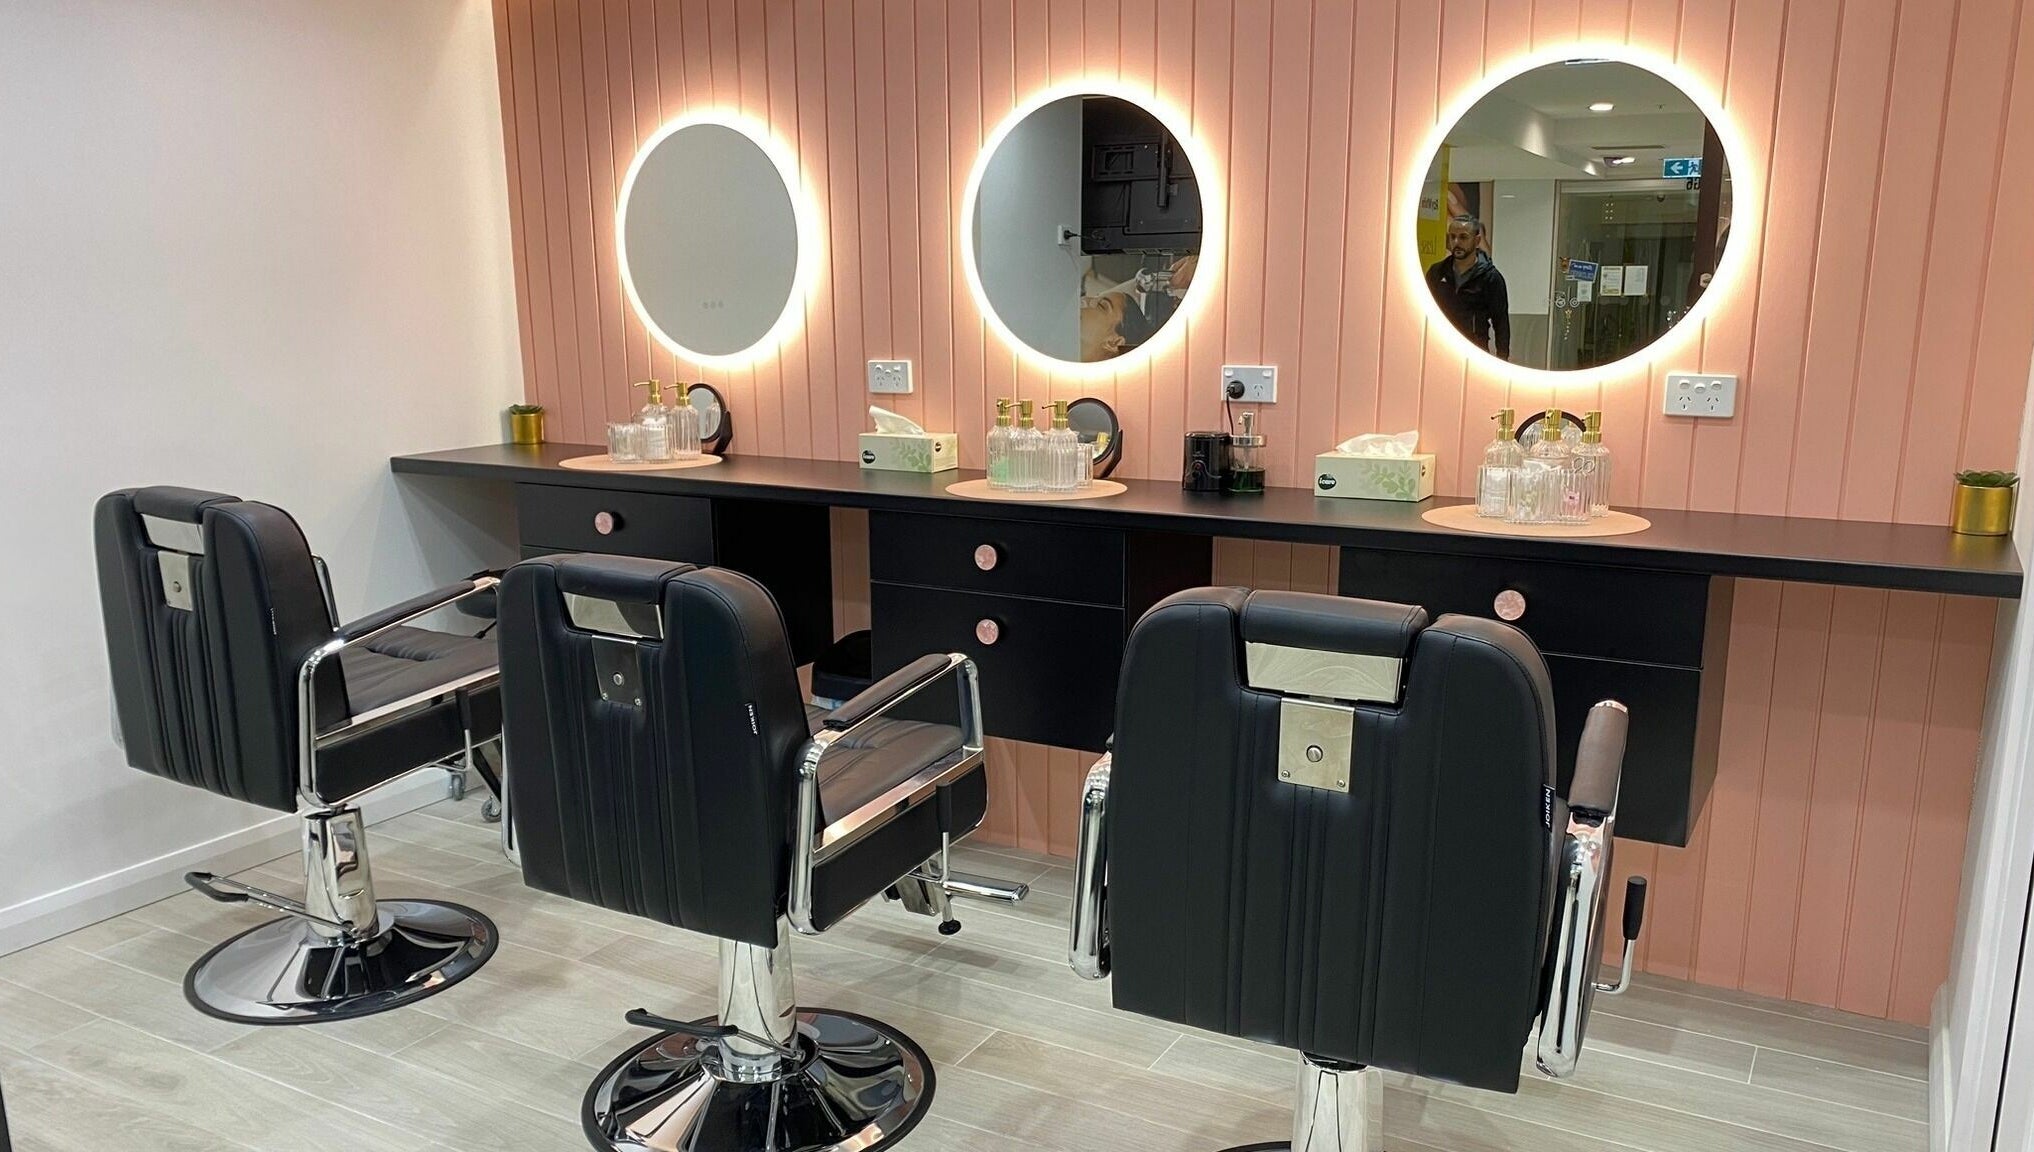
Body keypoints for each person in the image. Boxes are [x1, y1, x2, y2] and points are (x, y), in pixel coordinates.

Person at [1426, 215, 1510, 360]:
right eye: (1452, 237)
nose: (1456, 242)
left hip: (1474, 352)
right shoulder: (1436, 272)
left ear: (1477, 241)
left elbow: (1501, 322)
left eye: (1463, 237)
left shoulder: (1491, 278)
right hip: (1439, 349)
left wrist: (1502, 359)